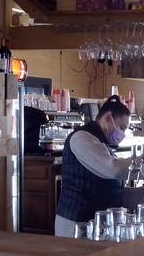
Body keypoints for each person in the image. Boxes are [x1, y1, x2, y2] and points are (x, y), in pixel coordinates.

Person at [55, 95, 135, 237]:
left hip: (98, 226)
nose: (122, 134)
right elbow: (113, 169)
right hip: (75, 227)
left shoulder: (103, 145)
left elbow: (115, 193)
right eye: (122, 127)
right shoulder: (81, 138)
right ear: (108, 118)